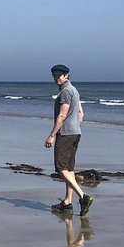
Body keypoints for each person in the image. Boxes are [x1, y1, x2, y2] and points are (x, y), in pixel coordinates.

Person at [45, 64, 92, 215]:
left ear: (67, 75)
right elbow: (81, 113)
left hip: (65, 133)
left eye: (59, 75)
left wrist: (52, 135)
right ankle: (67, 202)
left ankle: (83, 196)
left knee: (61, 168)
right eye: (54, 76)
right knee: (69, 169)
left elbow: (62, 116)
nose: (56, 78)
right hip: (75, 132)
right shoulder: (74, 90)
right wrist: (76, 126)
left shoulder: (65, 92)